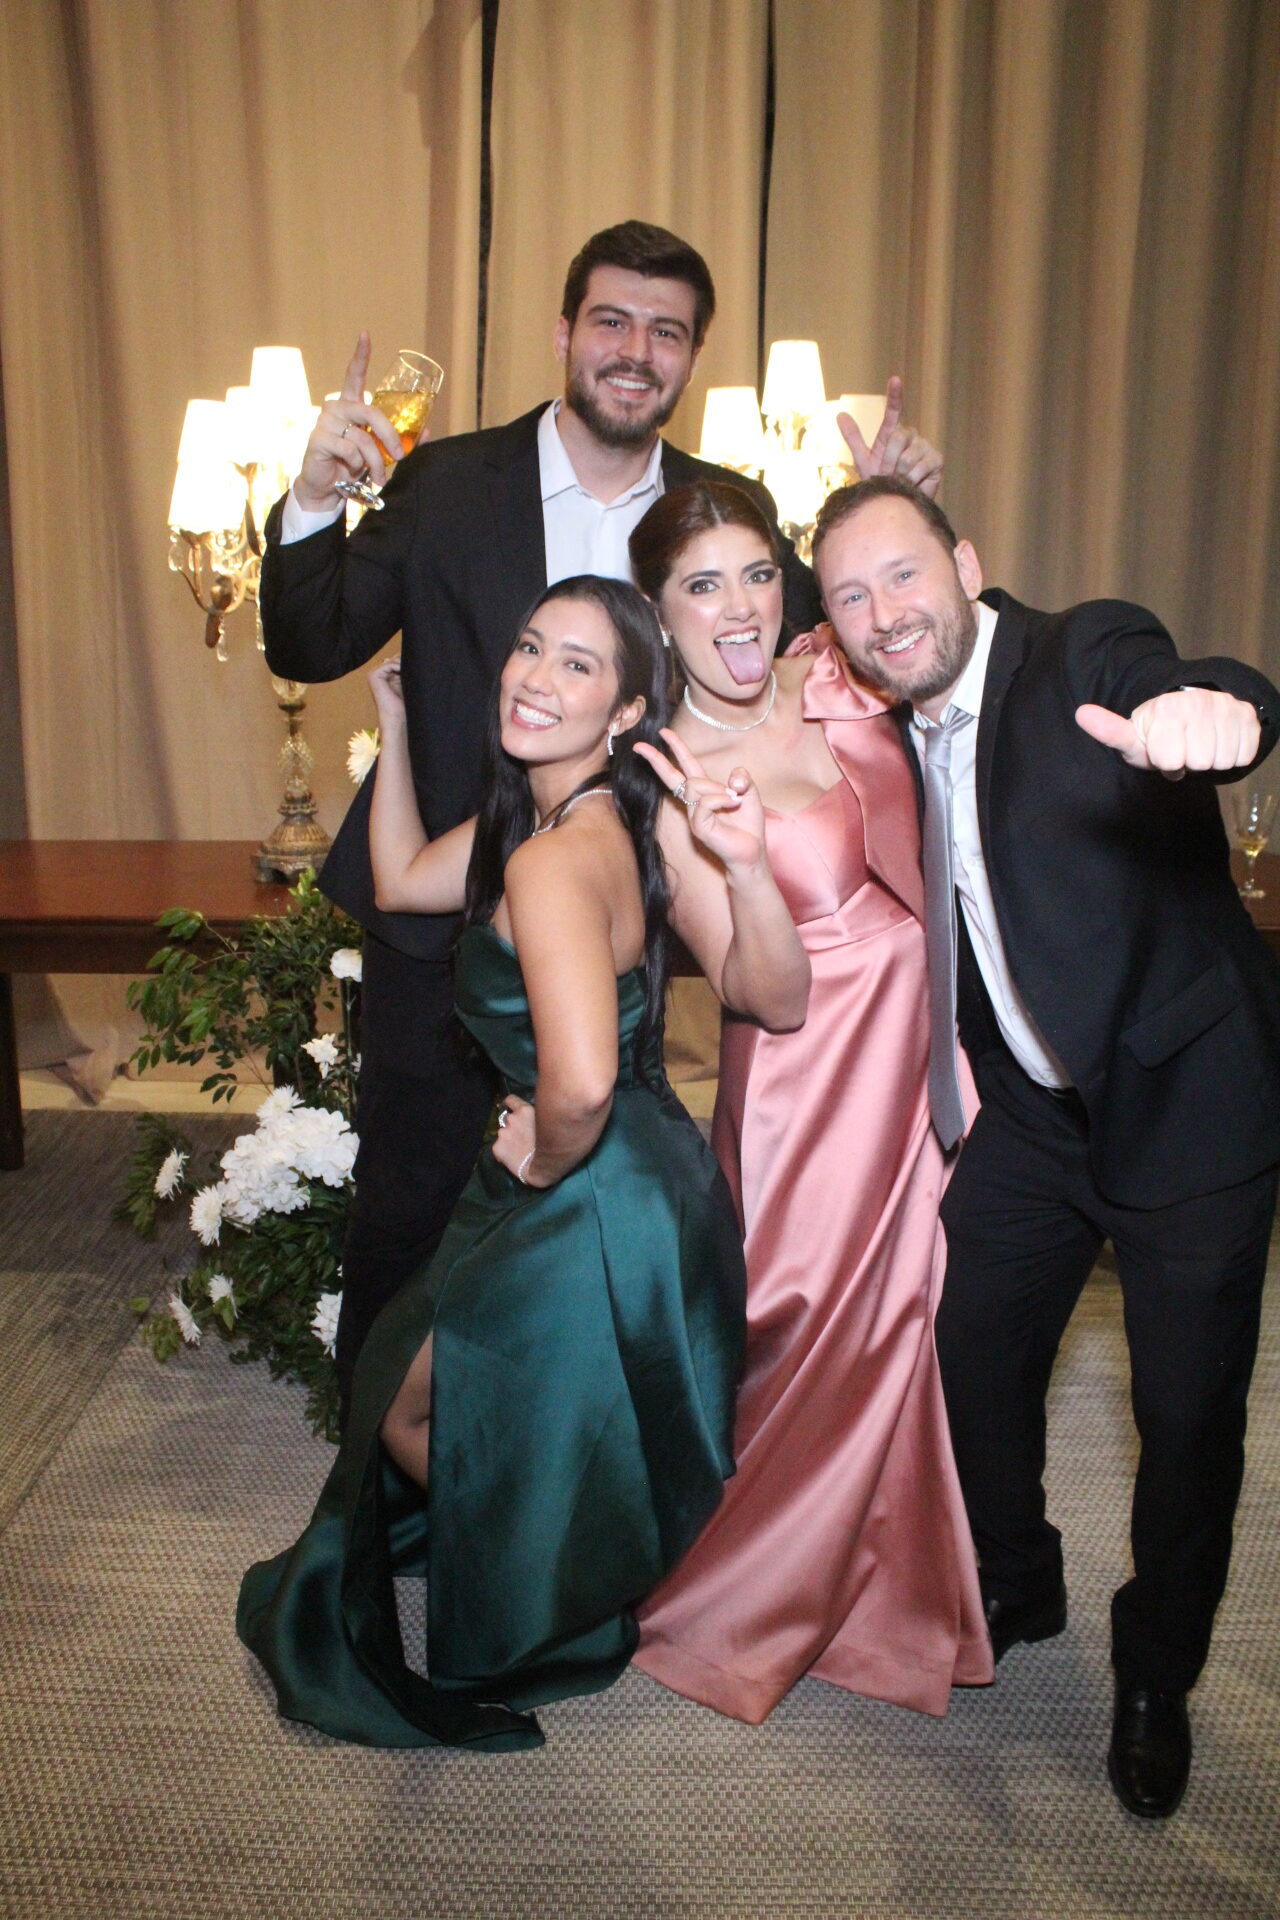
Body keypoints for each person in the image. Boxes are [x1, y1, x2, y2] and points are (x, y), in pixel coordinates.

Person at [258, 217, 941, 1414]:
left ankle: (561, 1449)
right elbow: (309, 642)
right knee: (411, 1199)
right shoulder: (447, 482)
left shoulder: (726, 508)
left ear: (692, 357)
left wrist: (888, 523)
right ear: (563, 332)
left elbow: (816, 659)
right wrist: (314, 497)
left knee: (595, 1205)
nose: (635, 350)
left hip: (632, 916)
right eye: (611, 321)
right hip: (454, 920)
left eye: (665, 332)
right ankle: (385, 1476)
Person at [238, 574, 810, 1751]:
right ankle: (542, 1565)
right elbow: (400, 881)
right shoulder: (562, 822)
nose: (536, 678)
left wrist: (535, 1169)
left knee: (409, 1394)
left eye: (577, 665)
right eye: (530, 646)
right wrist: (395, 725)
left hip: (596, 1186)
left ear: (625, 712)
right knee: (431, 1386)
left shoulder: (555, 861)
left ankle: (545, 1602)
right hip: (644, 1171)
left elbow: (582, 1084)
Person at [811, 474, 1280, 1817]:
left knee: (1184, 1421)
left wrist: (1216, 713)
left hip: (1188, 1103)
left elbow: (1187, 684)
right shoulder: (888, 725)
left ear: (966, 563)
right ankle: (1015, 1578)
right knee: (969, 1350)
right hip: (1030, 1114)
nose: (885, 613)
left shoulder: (1080, 650)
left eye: (904, 574)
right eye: (851, 596)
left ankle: (1155, 1672)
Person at [620, 479, 993, 1723]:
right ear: (657, 612)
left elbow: (939, 633)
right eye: (701, 585)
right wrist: (738, 864)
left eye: (756, 574)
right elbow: (756, 994)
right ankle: (757, 1597)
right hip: (810, 1090)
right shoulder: (668, 777)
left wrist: (903, 509)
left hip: (929, 1042)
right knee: (822, 1335)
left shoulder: (830, 671)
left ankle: (905, 1588)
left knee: (931, 1319)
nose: (738, 608)